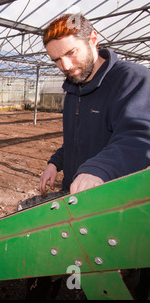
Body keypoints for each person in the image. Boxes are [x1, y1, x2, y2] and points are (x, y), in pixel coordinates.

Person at [39, 13, 150, 197]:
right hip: (76, 192)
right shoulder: (74, 89)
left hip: (112, 196)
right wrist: (55, 163)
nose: (65, 66)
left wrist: (99, 169)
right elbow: (76, 140)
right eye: (56, 60)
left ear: (93, 40)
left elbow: (139, 137)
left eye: (70, 53)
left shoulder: (131, 79)